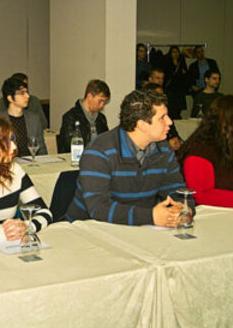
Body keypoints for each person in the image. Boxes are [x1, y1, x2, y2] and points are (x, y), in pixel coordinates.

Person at [66, 90, 191, 226]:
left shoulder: (163, 149)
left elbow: (178, 191)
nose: (170, 122)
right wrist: (150, 216)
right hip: (88, 229)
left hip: (140, 227)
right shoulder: (99, 151)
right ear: (142, 125)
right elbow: (99, 208)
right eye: (162, 118)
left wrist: (184, 209)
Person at [0, 77, 47, 157]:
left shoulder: (34, 119)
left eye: (27, 92)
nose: (27, 96)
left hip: (31, 162)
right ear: (10, 98)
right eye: (22, 93)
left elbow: (41, 149)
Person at [58, 79, 110, 153]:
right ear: (89, 96)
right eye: (100, 101)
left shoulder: (101, 119)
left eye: (104, 102)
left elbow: (107, 143)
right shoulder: (70, 117)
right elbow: (68, 147)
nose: (102, 105)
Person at [143, 83, 182, 151]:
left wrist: (176, 139)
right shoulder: (144, 116)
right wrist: (167, 144)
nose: (162, 98)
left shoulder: (166, 111)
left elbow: (173, 131)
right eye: (158, 95)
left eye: (163, 95)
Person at [162, 46, 190, 119]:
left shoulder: (181, 62)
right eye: (173, 52)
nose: (175, 54)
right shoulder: (167, 62)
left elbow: (186, 75)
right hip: (170, 90)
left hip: (179, 90)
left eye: (177, 52)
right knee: (170, 110)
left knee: (178, 111)